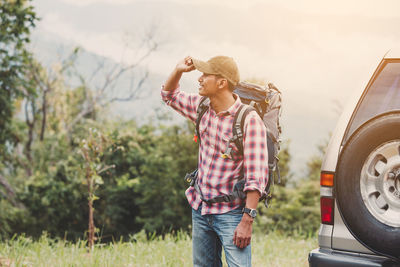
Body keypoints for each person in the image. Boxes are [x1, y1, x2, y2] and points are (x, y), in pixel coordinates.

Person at [161, 56, 268, 267]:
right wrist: (178, 70)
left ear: (221, 83)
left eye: (205, 75)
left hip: (232, 213)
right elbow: (169, 95)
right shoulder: (202, 107)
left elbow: (256, 176)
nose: (199, 79)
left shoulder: (248, 120)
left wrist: (247, 221)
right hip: (200, 207)